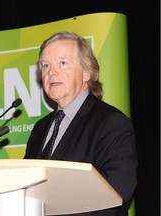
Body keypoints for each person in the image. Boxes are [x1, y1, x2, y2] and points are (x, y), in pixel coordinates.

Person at [23, 30, 138, 216]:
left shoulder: (111, 123)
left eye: (62, 62)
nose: (51, 72)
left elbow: (117, 191)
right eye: (45, 66)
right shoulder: (40, 128)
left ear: (86, 72)